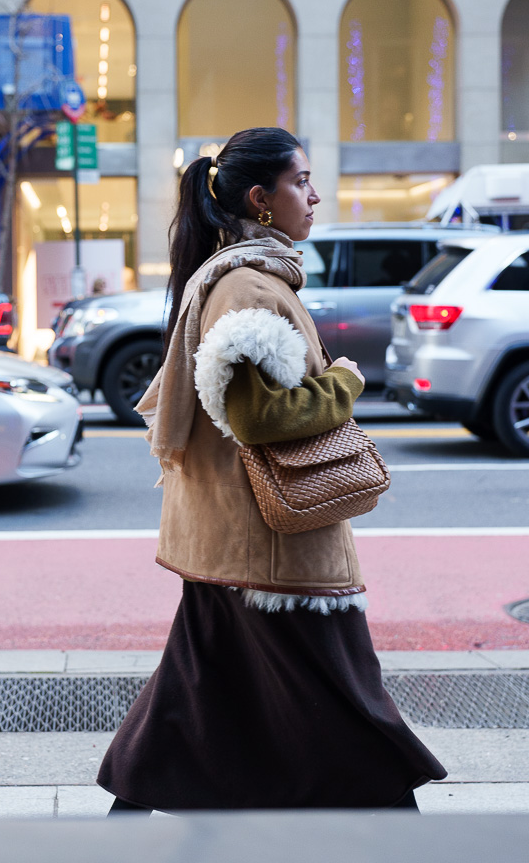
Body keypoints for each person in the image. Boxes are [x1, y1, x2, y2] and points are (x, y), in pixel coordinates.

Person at [98, 127, 446, 815]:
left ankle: (134, 819)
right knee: (347, 702)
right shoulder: (247, 289)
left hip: (230, 537)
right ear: (261, 200)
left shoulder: (248, 277)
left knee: (198, 694)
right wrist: (345, 381)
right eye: (301, 182)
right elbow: (259, 418)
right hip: (275, 543)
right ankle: (401, 831)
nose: (314, 196)